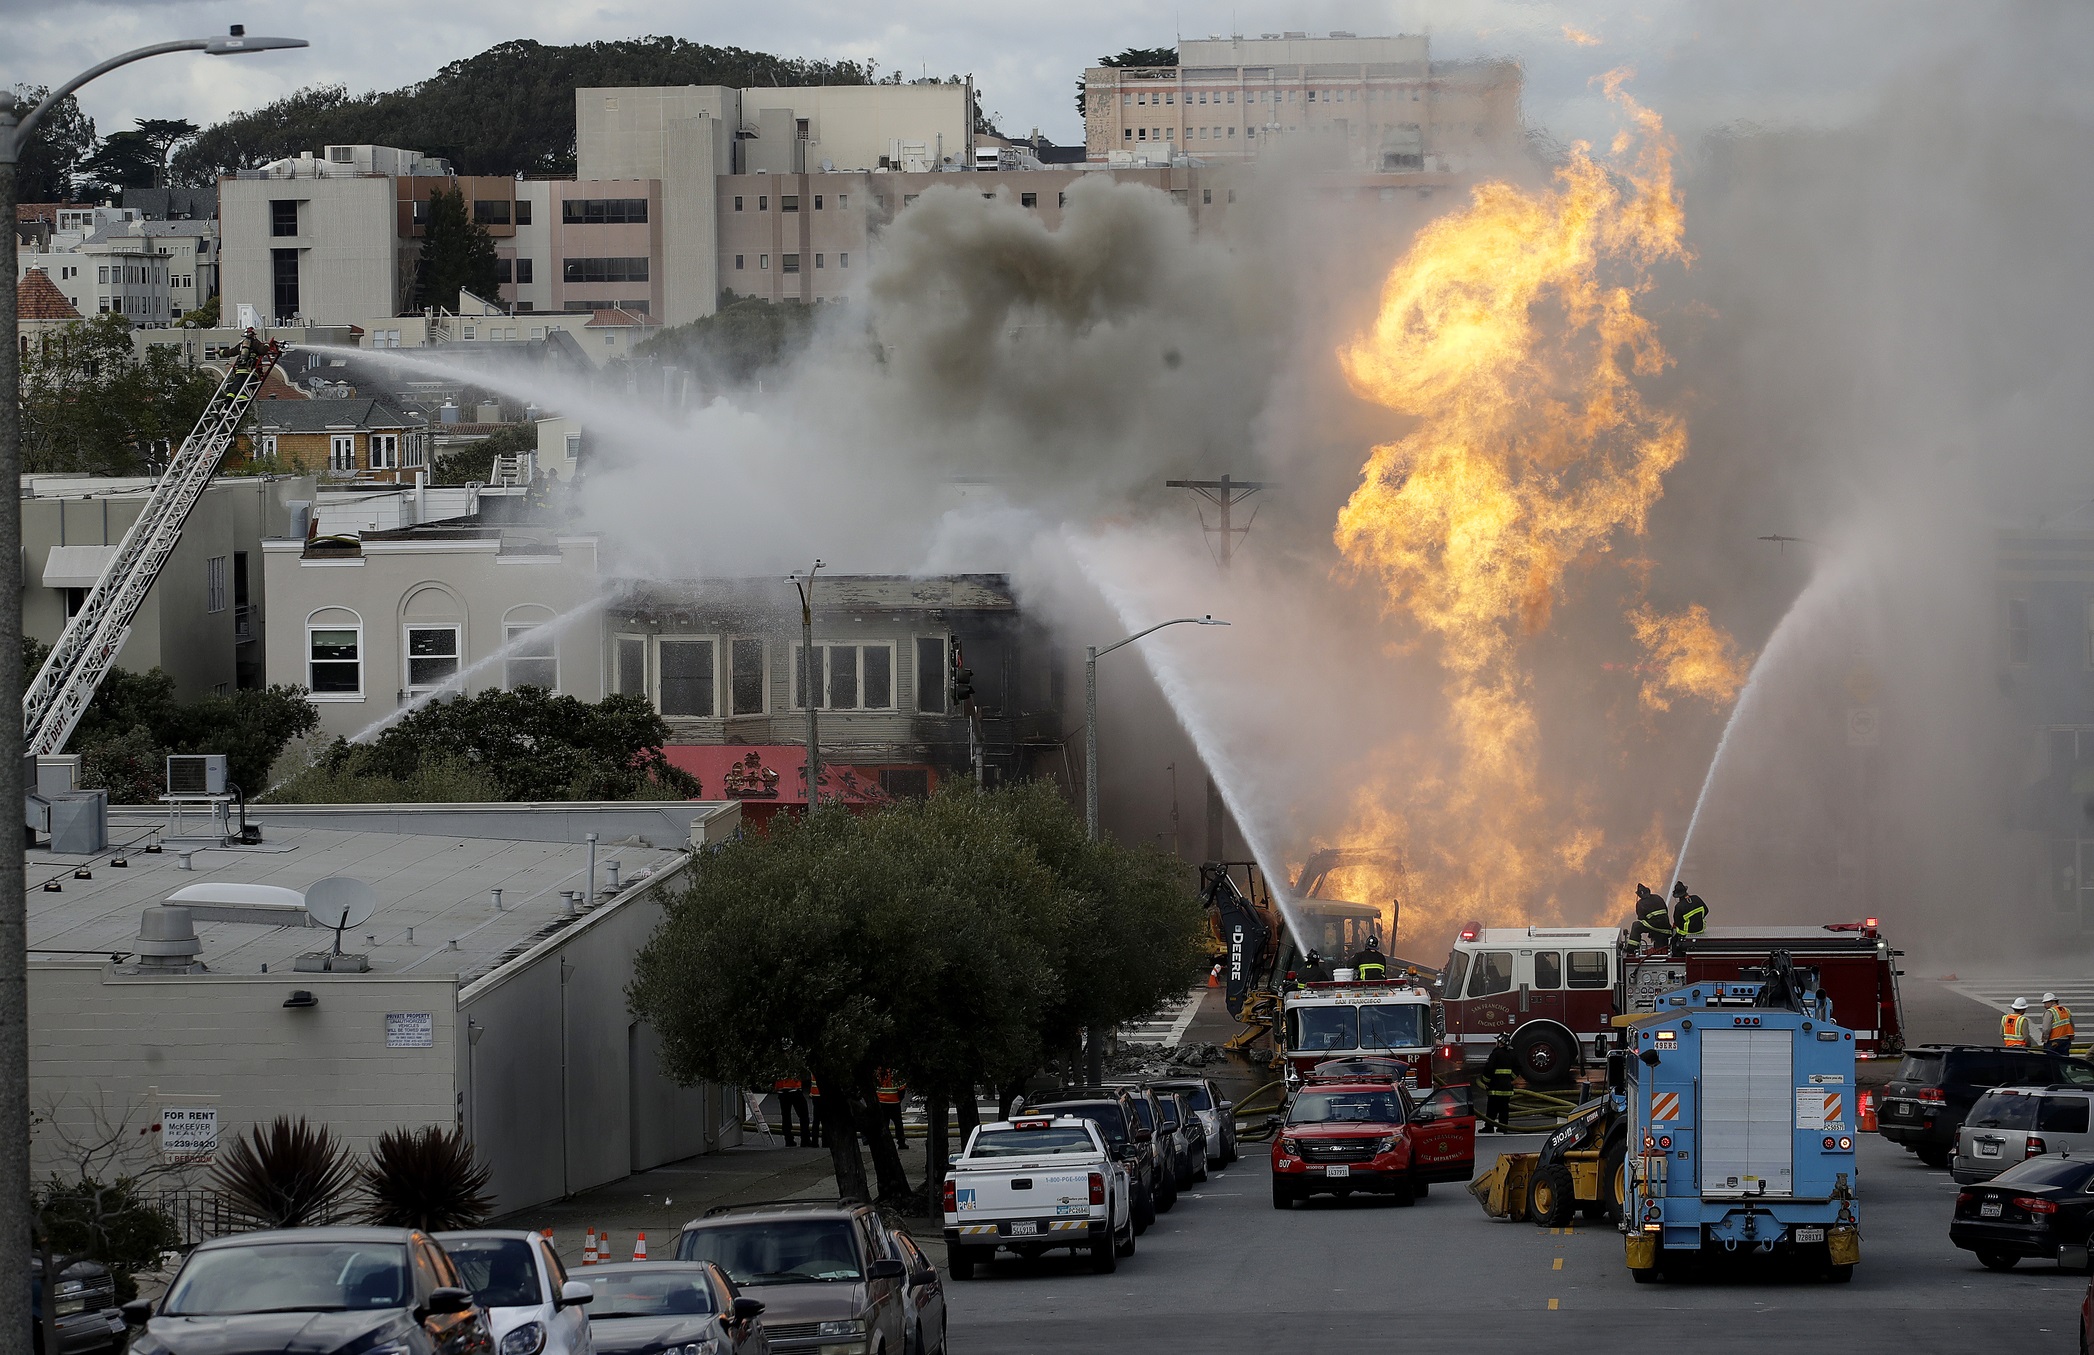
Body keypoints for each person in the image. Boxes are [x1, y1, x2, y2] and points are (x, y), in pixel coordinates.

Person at [1477, 1033, 1517, 1133]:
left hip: (1495, 1088)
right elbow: (1518, 1068)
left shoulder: (1495, 1054)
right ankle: (1503, 1127)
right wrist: (1510, 1078)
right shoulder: (1511, 1054)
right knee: (1504, 1109)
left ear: (1500, 1043)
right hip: (1506, 1088)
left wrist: (1486, 1082)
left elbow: (1489, 1068)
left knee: (1492, 1109)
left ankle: (1489, 1127)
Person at [773, 1075, 811, 1147]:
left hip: (782, 1090)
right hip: (794, 1089)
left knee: (786, 1116)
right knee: (803, 1116)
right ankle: (805, 1140)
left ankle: (789, 1140)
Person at [876, 1070, 907, 1149]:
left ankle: (884, 1142)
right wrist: (899, 1099)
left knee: (884, 1123)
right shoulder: (895, 1071)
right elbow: (902, 1088)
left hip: (881, 1101)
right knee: (898, 1123)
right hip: (894, 1102)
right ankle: (901, 1142)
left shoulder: (878, 1071)